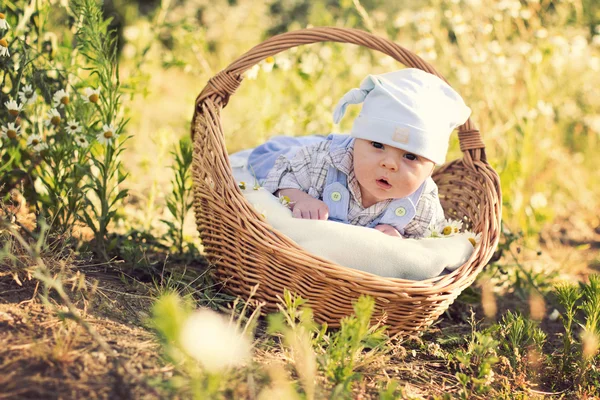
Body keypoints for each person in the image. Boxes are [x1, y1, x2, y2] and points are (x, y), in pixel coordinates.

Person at [246, 68, 471, 238]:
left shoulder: (424, 205)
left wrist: (401, 241)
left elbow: (429, 246)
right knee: (269, 158)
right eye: (377, 145)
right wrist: (299, 198)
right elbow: (282, 176)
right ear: (357, 141)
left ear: (431, 168)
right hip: (305, 153)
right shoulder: (326, 161)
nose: (390, 164)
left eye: (411, 156)